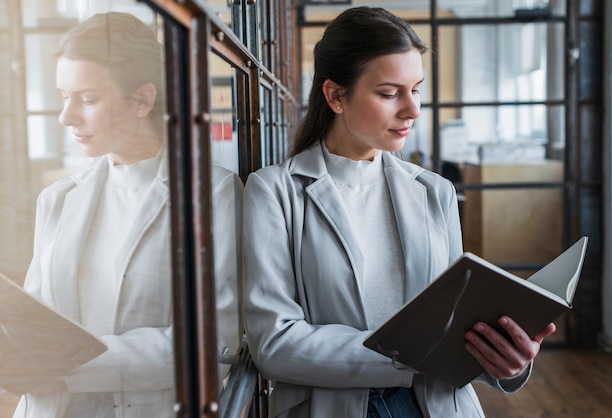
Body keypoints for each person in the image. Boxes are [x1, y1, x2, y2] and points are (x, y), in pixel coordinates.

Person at [242, 6, 556, 418]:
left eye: (416, 88)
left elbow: (457, 324)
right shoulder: (274, 192)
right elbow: (275, 344)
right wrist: (409, 356)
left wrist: (508, 362)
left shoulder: (435, 192)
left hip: (439, 406)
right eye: (390, 93)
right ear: (335, 95)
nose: (412, 109)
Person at [14, 12, 174, 418]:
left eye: (87, 99)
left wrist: (67, 365)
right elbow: (33, 321)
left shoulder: (212, 195)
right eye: (63, 97)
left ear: (142, 100)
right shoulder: (58, 199)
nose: (66, 117)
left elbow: (214, 342)